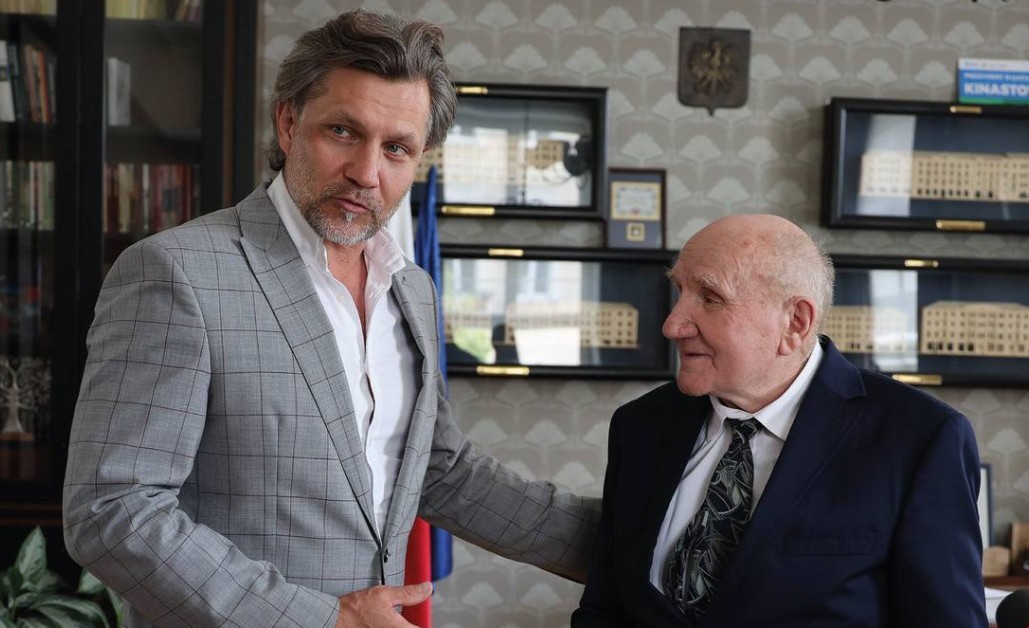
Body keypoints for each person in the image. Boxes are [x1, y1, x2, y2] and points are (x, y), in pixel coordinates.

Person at [63, 10, 598, 628]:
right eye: (343, 131)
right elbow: (112, 509)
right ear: (288, 123)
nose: (367, 173)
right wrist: (324, 619)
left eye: (396, 148)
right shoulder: (176, 273)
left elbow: (435, 470)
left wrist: (644, 539)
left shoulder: (411, 288)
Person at [572, 214, 986, 627]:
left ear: (795, 323)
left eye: (711, 298)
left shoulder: (919, 438)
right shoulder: (639, 426)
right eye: (679, 290)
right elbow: (605, 608)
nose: (672, 325)